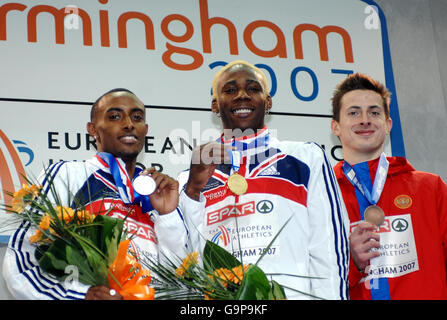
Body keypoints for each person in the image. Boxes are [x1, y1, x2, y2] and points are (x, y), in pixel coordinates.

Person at [175, 60, 350, 299]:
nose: (242, 96)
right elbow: (188, 258)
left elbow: (328, 249)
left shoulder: (305, 158)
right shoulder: (191, 178)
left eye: (253, 89)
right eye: (230, 90)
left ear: (268, 102)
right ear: (215, 105)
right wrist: (193, 189)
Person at [2, 88, 187, 300]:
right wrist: (82, 296)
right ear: (92, 129)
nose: (129, 124)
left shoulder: (158, 190)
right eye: (115, 116)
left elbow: (180, 278)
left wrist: (168, 215)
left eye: (137, 117)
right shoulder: (68, 174)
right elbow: (23, 261)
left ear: (145, 129)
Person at [330, 73, 447, 299]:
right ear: (336, 127)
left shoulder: (430, 188)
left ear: (388, 124)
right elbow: (311, 279)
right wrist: (350, 260)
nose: (365, 120)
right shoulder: (323, 195)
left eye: (374, 112)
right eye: (353, 113)